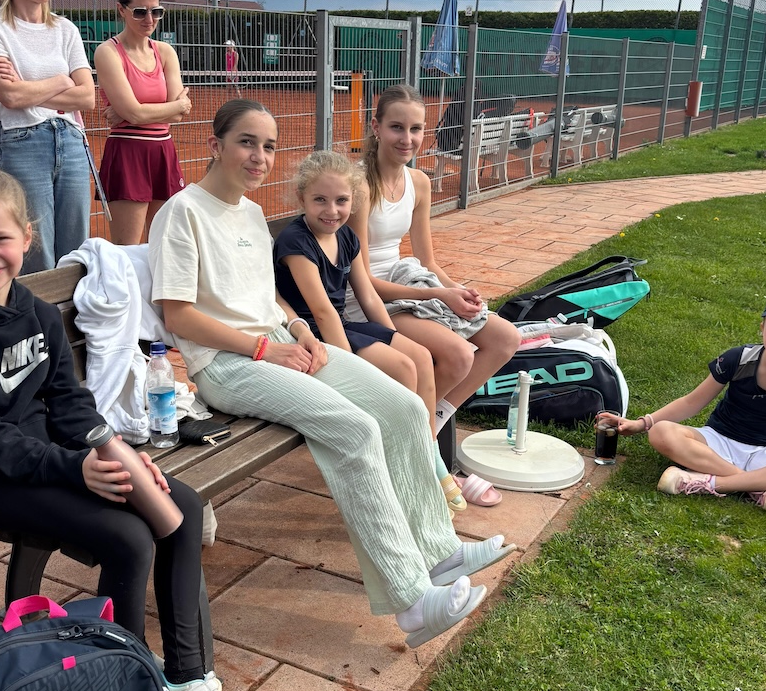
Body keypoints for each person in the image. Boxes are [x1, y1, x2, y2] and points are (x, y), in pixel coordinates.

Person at [0, 166, 254, 691]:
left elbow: (68, 400)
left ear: (26, 238)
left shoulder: (32, 310)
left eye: (1, 239)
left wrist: (116, 452)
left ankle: (188, 679)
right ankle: (122, 689)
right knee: (128, 538)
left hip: (51, 459)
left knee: (181, 507)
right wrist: (74, 468)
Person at [148, 99, 515, 646]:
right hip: (226, 364)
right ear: (214, 145)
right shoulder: (182, 213)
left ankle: (440, 553)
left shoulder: (249, 213)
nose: (259, 156)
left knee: (403, 406)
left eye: (269, 146)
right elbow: (179, 315)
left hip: (281, 345)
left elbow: (266, 299)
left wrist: (297, 328)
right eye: (247, 142)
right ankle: (413, 605)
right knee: (355, 428)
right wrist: (263, 348)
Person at [348, 83, 520, 506]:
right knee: (459, 355)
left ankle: (426, 428)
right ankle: (425, 458)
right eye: (396, 127)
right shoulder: (360, 185)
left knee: (506, 338)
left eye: (416, 129)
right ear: (376, 127)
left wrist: (457, 289)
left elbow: (427, 258)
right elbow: (362, 278)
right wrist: (439, 296)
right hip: (369, 299)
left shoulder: (419, 182)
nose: (407, 139)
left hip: (411, 285)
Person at [272, 149, 465, 511]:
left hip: (342, 324)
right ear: (302, 198)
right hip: (314, 334)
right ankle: (408, 471)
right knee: (403, 367)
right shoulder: (295, 242)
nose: (332, 210)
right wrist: (352, 369)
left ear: (353, 201)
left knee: (420, 357)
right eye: (320, 200)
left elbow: (369, 297)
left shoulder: (346, 237)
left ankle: (426, 458)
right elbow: (322, 312)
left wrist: (395, 337)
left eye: (341, 201)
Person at [601, 292, 766, 512]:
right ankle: (758, 487)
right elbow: (692, 402)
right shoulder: (739, 358)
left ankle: (711, 482)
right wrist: (642, 424)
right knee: (661, 432)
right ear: (762, 328)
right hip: (717, 442)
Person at [0, 0, 95, 274]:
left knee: (76, 251)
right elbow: (10, 98)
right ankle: (36, 311)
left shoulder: (66, 29)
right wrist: (61, 81)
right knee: (34, 251)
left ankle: (73, 310)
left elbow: (87, 97)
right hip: (22, 141)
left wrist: (26, 86)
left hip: (71, 140)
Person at [94, 0, 191, 245]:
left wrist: (133, 111)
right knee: (127, 251)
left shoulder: (165, 51)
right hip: (128, 155)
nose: (149, 19)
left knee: (164, 246)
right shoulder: (108, 52)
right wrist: (162, 108)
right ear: (121, 10)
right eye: (140, 12)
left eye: (156, 12)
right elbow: (142, 111)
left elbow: (178, 113)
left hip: (163, 151)